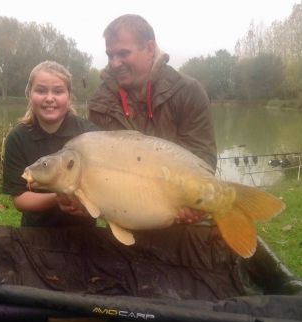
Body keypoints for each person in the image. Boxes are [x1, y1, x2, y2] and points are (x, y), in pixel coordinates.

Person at [88, 14, 217, 224]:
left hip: (178, 212)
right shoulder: (98, 102)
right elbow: (94, 166)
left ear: (149, 49)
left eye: (123, 53)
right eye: (110, 55)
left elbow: (202, 158)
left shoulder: (188, 91)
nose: (114, 63)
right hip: (124, 214)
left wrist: (190, 203)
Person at [2, 61, 99, 227]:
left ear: (69, 96)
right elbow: (20, 199)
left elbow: (101, 185)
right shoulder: (17, 137)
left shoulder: (89, 133)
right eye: (40, 90)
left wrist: (85, 203)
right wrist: (58, 198)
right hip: (36, 234)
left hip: (84, 233)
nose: (49, 98)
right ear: (29, 94)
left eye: (58, 91)